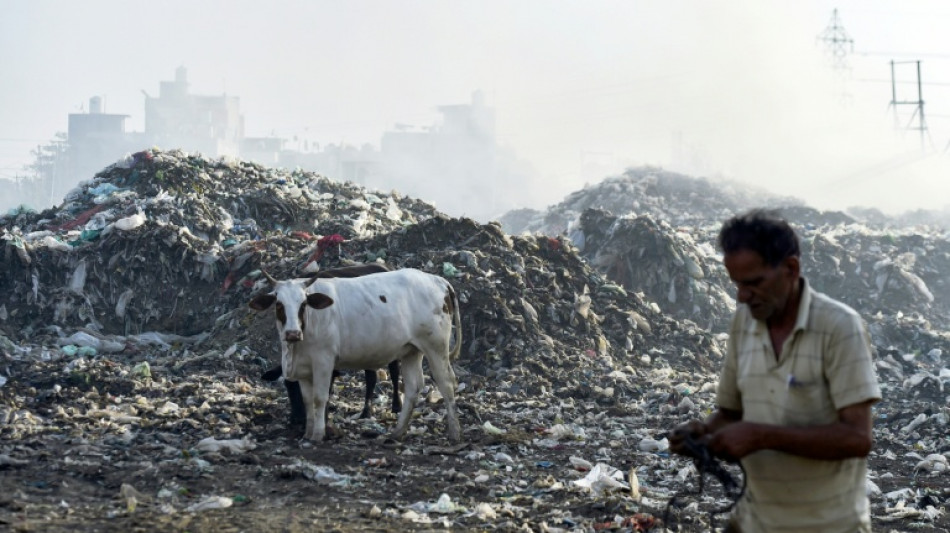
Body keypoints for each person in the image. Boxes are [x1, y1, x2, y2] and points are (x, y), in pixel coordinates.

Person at [669, 209, 882, 533]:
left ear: (791, 269)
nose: (742, 296)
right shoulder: (743, 322)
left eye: (753, 283)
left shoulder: (840, 327)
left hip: (827, 524)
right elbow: (731, 413)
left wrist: (762, 436)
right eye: (737, 284)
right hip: (755, 520)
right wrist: (703, 433)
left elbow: (857, 438)